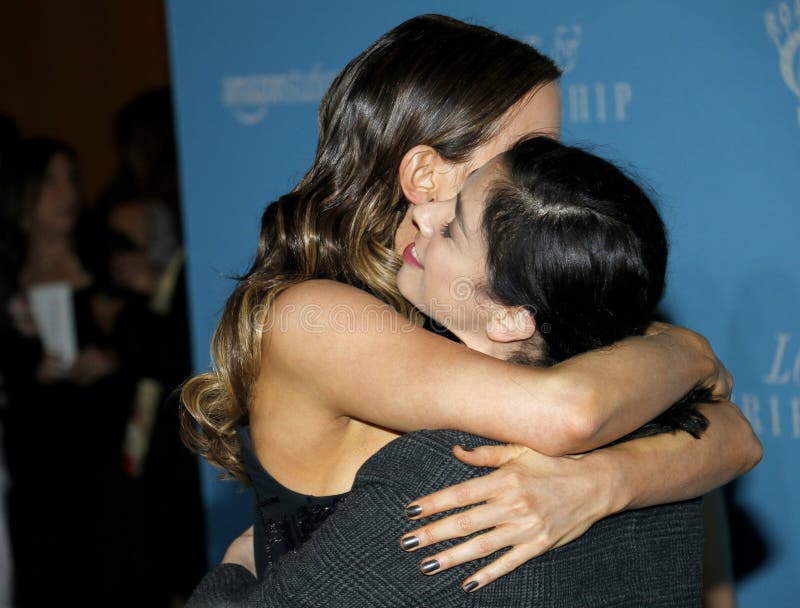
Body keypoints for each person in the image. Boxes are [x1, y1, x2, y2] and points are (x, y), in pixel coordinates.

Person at [180, 13, 758, 594]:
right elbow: (569, 411)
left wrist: (603, 481)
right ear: (425, 175)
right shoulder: (319, 318)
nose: (547, 172)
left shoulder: (505, 300)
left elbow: (731, 436)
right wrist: (687, 349)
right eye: (532, 149)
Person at [0, 137, 132, 605]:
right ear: (22, 194)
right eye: (51, 182)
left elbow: (154, 349)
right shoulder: (6, 281)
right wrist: (30, 372)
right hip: (40, 473)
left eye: (71, 179)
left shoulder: (107, 260)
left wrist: (112, 359)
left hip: (107, 463)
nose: (66, 193)